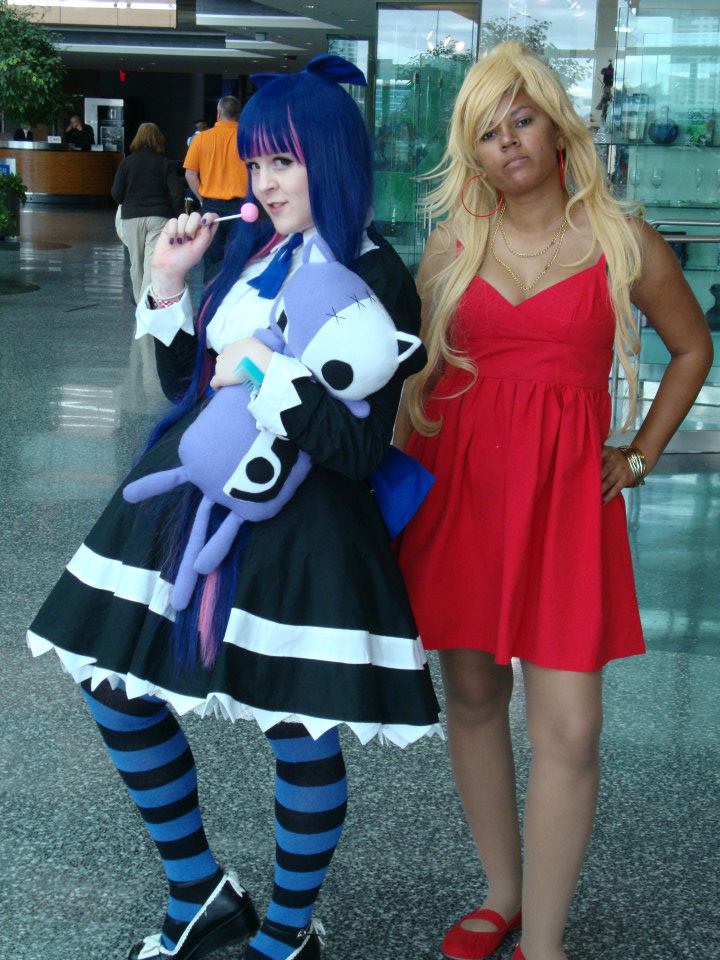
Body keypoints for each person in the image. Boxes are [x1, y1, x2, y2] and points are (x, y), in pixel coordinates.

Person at [27, 54, 440, 960]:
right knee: (109, 681)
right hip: (187, 499)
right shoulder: (255, 252)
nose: (265, 182)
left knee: (296, 722)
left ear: (333, 159)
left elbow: (357, 447)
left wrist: (262, 369)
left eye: (284, 161)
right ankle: (198, 889)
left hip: (303, 521)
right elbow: (189, 384)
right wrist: (170, 284)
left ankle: (288, 930)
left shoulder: (379, 274)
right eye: (257, 163)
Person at [395, 42, 712, 960]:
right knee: (473, 693)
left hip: (566, 504)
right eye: (487, 132)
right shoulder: (452, 241)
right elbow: (412, 376)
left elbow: (693, 347)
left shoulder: (621, 239)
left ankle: (547, 943)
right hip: (460, 493)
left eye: (522, 120)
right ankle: (503, 895)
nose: (508, 143)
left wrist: (641, 453)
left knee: (570, 729)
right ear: (472, 150)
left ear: (556, 123)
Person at [111, 122, 185, 302]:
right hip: (159, 216)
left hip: (131, 217)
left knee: (136, 263)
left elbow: (116, 193)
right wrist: (176, 214)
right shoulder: (164, 163)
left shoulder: (127, 163)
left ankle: (139, 301)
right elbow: (177, 191)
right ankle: (146, 303)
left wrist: (128, 203)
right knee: (152, 262)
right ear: (158, 139)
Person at [183, 95, 249, 280]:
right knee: (240, 259)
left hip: (211, 206)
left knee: (212, 260)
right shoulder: (248, 138)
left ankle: (211, 295)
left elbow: (190, 174)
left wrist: (202, 198)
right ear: (239, 115)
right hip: (242, 208)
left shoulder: (201, 139)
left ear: (218, 114)